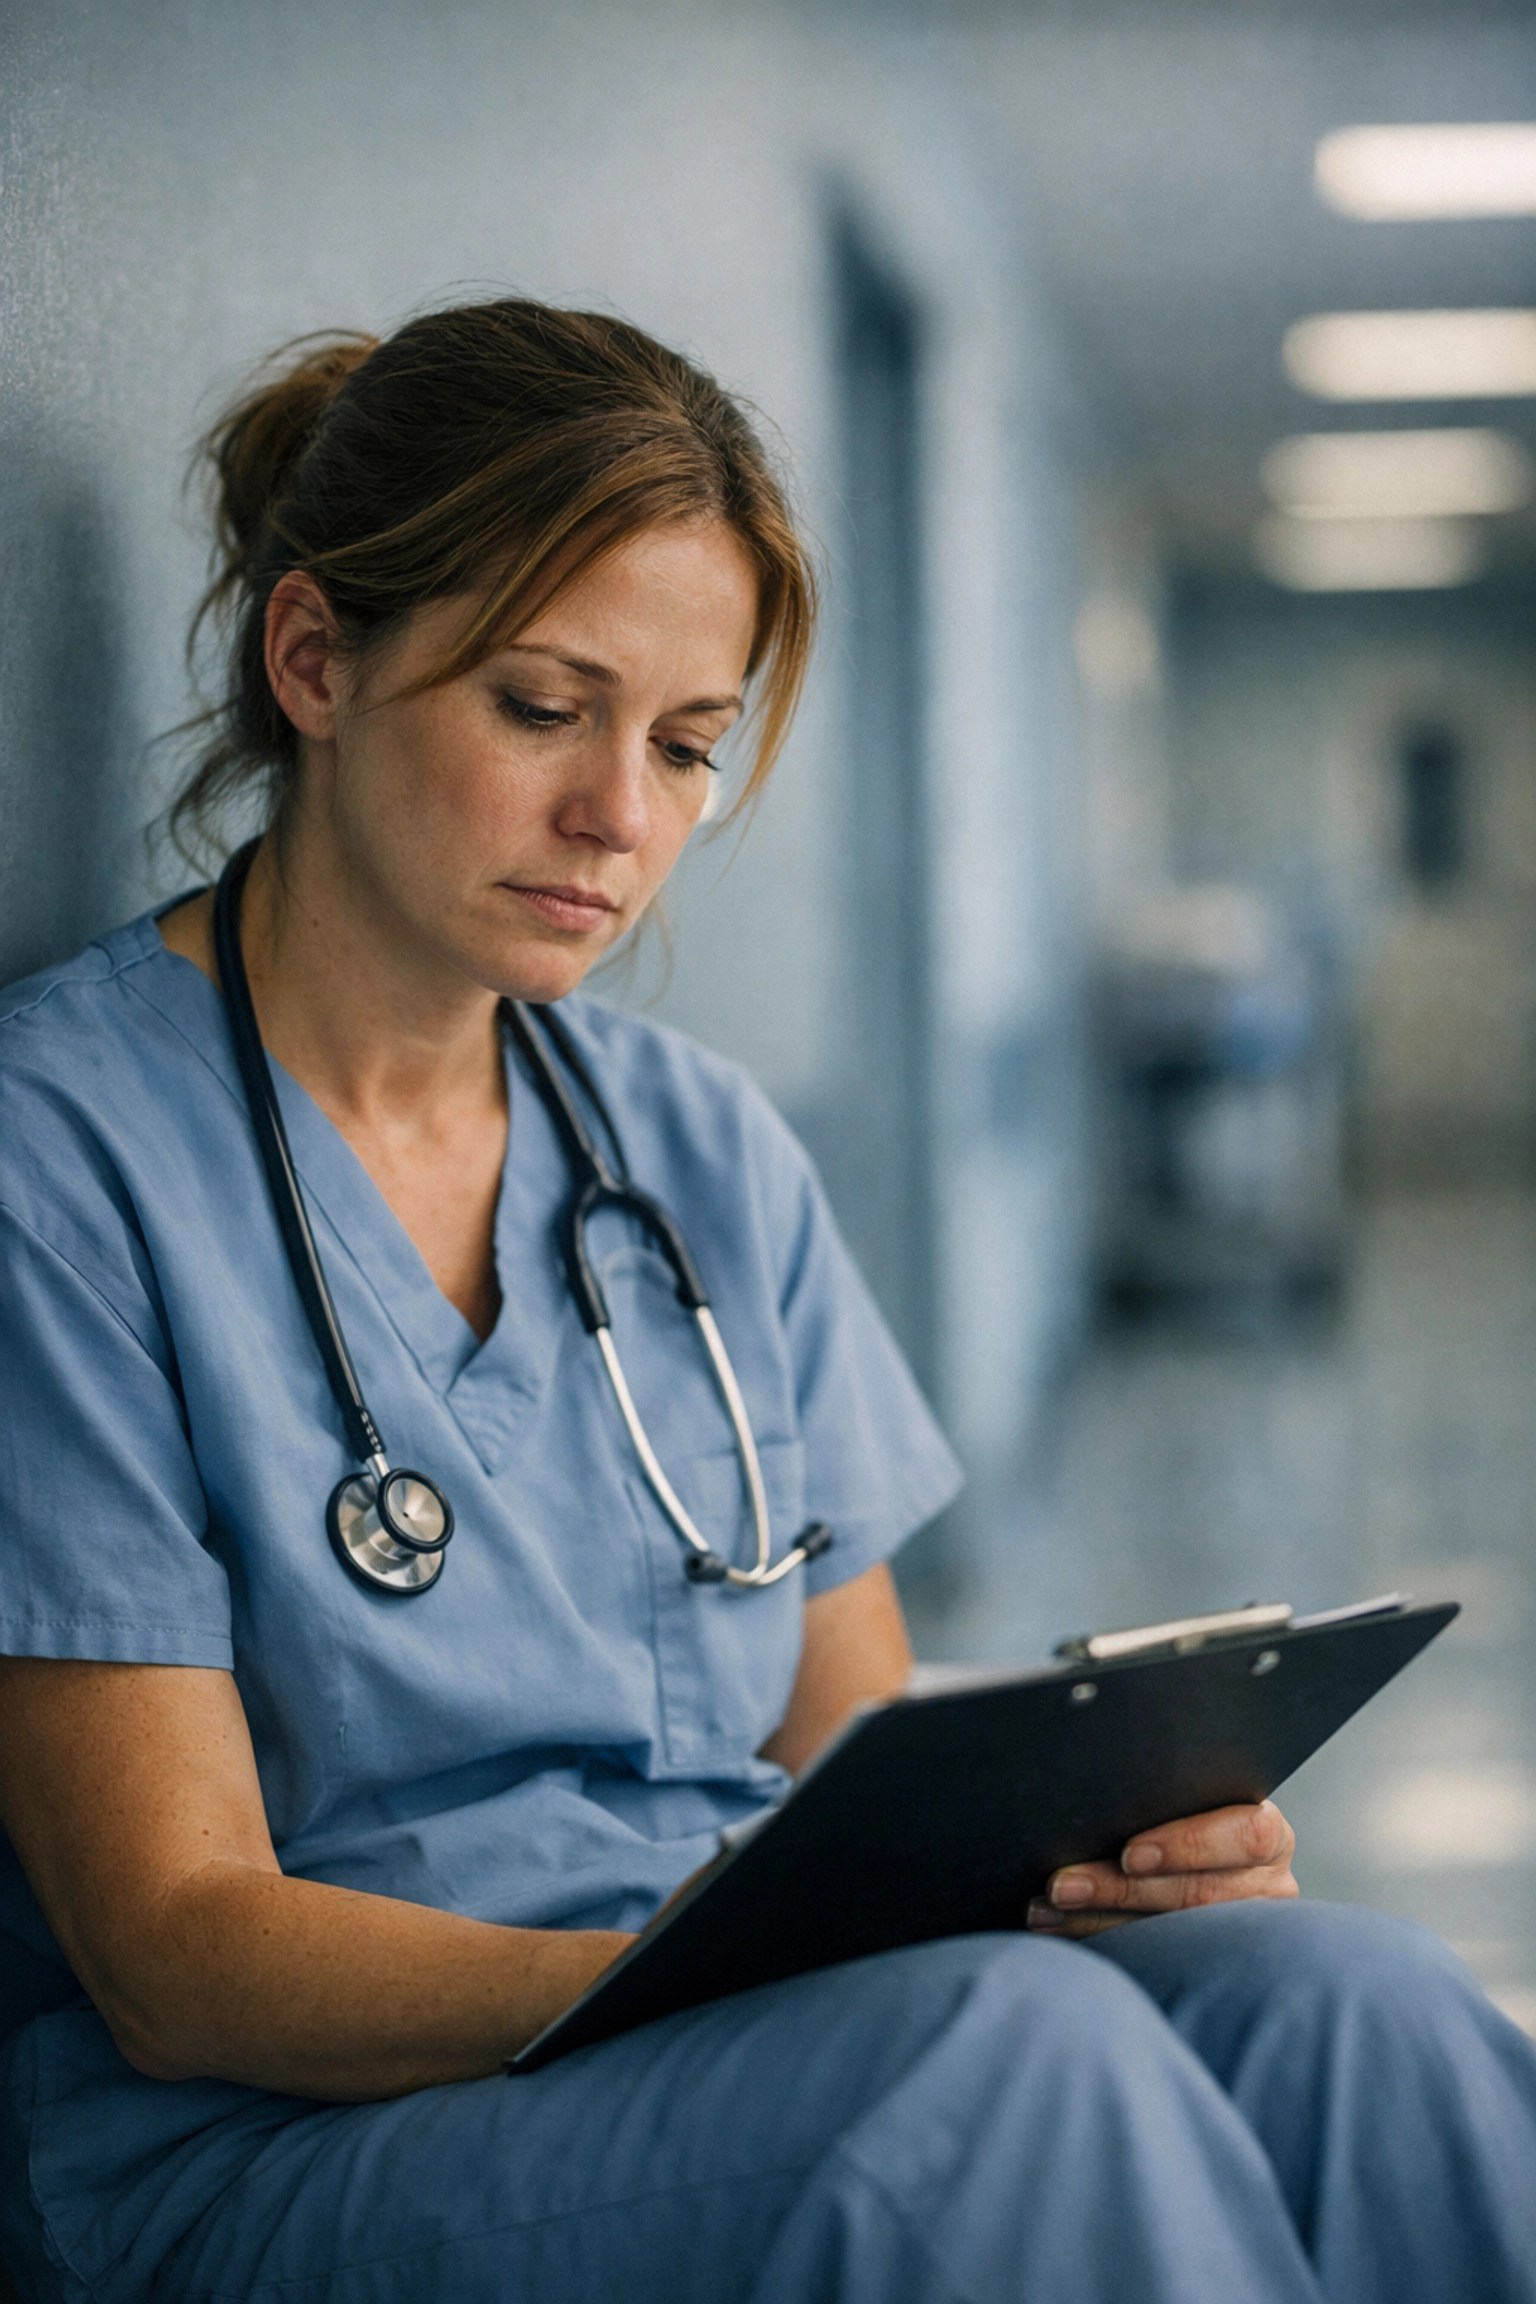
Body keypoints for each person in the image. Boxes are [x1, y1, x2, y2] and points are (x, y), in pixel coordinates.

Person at [0, 298, 1532, 2304]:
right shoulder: (62, 1157)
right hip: (283, 2137)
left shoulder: (688, 1146)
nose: (621, 817)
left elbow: (854, 1755)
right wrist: (727, 1977)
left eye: (687, 745)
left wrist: (1081, 1858)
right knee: (1005, 2066)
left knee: (1354, 2003)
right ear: (316, 661)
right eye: (545, 707)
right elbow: (180, 1950)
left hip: (717, 2006)